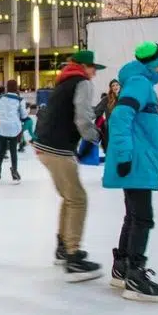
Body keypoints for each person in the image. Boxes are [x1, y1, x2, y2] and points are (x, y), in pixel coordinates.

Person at [103, 42, 158, 302]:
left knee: (133, 216)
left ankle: (122, 267)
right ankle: (135, 275)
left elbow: (149, 129)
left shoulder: (139, 83)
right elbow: (120, 117)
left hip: (138, 160)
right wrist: (124, 155)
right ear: (156, 63)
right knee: (142, 218)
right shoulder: (140, 83)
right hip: (136, 163)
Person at [33, 50, 104, 282]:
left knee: (69, 197)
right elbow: (82, 116)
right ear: (85, 66)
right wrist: (96, 136)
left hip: (45, 146)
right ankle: (73, 257)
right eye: (93, 68)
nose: (94, 73)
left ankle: (64, 247)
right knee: (78, 199)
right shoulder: (81, 82)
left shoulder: (63, 80)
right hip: (59, 148)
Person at [0, 79, 27, 184]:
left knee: (1, 150)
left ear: (7, 87)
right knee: (13, 150)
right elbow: (24, 115)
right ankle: (14, 172)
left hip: (2, 128)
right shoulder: (20, 100)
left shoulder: (1, 98)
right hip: (14, 128)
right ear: (16, 87)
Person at [94, 79, 120, 151]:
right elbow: (97, 110)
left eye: (117, 85)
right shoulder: (107, 99)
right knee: (111, 150)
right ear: (111, 88)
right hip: (111, 128)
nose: (115, 87)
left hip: (123, 128)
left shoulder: (124, 98)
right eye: (113, 85)